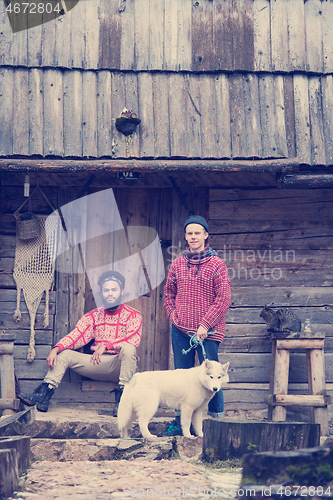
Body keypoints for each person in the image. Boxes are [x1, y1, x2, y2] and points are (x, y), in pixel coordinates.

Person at [18, 270, 142, 415]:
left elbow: (133, 340)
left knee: (129, 348)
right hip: (97, 363)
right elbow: (77, 335)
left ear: (122, 291)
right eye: (106, 290)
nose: (110, 293)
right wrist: (56, 348)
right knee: (65, 354)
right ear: (101, 293)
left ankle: (122, 403)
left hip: (120, 366)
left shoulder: (134, 314)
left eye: (114, 290)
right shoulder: (94, 315)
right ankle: (43, 396)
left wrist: (107, 345)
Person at [163, 215, 231, 436]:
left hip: (209, 332)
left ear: (205, 235)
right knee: (181, 377)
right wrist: (173, 315)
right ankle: (178, 422)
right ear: (185, 236)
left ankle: (214, 423)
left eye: (197, 233)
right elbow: (168, 294)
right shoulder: (177, 263)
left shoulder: (217, 264)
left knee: (213, 374)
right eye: (189, 233)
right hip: (181, 330)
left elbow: (223, 299)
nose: (193, 236)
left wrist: (205, 324)